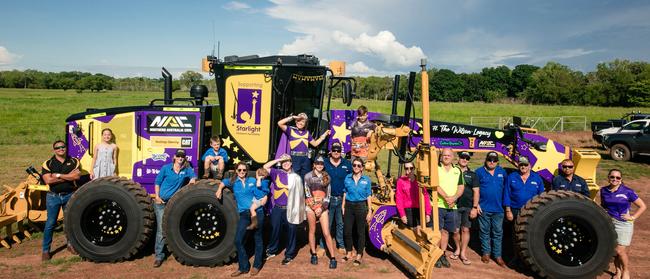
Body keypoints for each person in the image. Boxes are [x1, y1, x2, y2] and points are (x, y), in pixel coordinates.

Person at [216, 162, 269, 277]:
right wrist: (220, 189)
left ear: (247, 171)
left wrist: (265, 197)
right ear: (236, 170)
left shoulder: (252, 181)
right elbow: (223, 182)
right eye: (239, 170)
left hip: (257, 212)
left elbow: (262, 191)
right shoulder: (233, 182)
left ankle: (256, 266)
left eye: (244, 170)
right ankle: (244, 267)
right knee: (238, 240)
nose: (242, 172)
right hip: (244, 214)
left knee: (258, 239)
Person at [153, 149, 197, 267]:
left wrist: (190, 183)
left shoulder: (187, 169)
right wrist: (157, 197)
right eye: (178, 156)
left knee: (175, 227)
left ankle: (174, 250)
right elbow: (157, 182)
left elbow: (193, 178)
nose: (180, 158)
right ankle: (158, 256)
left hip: (174, 204)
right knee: (161, 229)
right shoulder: (166, 168)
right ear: (174, 157)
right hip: (161, 202)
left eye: (182, 156)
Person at [600, 169, 646, 279]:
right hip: (609, 223)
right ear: (608, 178)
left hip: (623, 224)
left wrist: (633, 217)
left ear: (621, 180)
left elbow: (643, 206)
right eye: (612, 177)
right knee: (614, 251)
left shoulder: (627, 191)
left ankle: (626, 270)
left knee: (620, 250)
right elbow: (603, 205)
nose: (615, 179)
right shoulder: (603, 190)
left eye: (618, 178)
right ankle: (618, 271)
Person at [41, 140, 81, 261]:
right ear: (54, 150)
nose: (61, 149)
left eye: (63, 147)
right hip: (53, 197)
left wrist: (57, 175)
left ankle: (70, 245)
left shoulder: (74, 161)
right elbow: (48, 180)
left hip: (69, 195)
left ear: (66, 148)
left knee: (69, 222)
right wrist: (68, 177)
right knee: (50, 224)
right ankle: (45, 250)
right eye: (58, 148)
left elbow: (77, 176)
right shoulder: (48, 163)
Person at [263, 154, 306, 265]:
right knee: (274, 230)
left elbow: (300, 196)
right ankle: (272, 250)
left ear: (291, 163)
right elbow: (265, 167)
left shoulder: (296, 177)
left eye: (287, 161)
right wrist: (278, 159)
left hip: (290, 208)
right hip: (277, 208)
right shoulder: (276, 173)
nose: (285, 163)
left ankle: (289, 254)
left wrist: (299, 211)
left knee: (291, 232)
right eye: (283, 162)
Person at [503, 156, 544, 266]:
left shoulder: (537, 178)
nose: (523, 167)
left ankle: (530, 260)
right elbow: (506, 194)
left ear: (530, 166)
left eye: (525, 165)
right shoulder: (512, 177)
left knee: (530, 235)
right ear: (518, 165)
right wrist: (508, 210)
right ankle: (516, 258)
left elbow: (542, 196)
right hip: (515, 210)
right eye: (521, 164)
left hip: (532, 212)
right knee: (516, 234)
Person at [304, 156, 338, 269]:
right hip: (311, 207)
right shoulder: (308, 176)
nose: (319, 165)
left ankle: (333, 257)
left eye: (321, 164)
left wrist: (321, 208)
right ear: (314, 164)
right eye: (317, 163)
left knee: (326, 232)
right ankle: (313, 254)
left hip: (322, 208)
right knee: (312, 231)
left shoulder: (326, 176)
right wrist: (314, 207)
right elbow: (307, 194)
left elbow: (328, 195)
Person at [475, 151, 507, 267]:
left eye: (494, 160)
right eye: (490, 160)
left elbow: (506, 189)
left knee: (498, 233)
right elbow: (475, 189)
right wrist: (476, 204)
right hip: (484, 208)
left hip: (498, 209)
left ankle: (498, 255)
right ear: (486, 160)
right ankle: (486, 253)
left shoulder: (502, 172)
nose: (492, 162)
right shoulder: (479, 172)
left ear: (497, 162)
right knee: (484, 232)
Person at [434, 148, 464, 268]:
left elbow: (461, 186)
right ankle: (435, 256)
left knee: (446, 231)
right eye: (444, 155)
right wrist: (446, 197)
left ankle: (442, 254)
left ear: (453, 157)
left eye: (448, 155)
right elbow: (435, 185)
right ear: (441, 157)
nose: (446, 157)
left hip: (452, 206)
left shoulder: (457, 170)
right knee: (437, 232)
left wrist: (454, 198)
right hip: (438, 204)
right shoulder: (435, 169)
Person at [277, 112, 330, 178]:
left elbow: (315, 144)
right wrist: (293, 117)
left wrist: (324, 135)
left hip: (306, 159)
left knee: (305, 178)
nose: (300, 123)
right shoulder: (290, 130)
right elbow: (279, 123)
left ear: (305, 123)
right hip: (294, 158)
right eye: (298, 121)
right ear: (296, 121)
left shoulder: (307, 133)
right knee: (294, 178)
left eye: (303, 121)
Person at [342, 158, 372, 266]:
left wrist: (369, 211)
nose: (356, 167)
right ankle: (349, 252)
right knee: (347, 231)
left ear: (362, 167)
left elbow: (369, 195)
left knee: (360, 232)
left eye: (359, 165)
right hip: (349, 206)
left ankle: (359, 254)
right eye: (354, 165)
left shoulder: (366, 180)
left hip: (361, 206)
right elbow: (345, 192)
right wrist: (343, 206)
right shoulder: (347, 178)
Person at [322, 142, 351, 255]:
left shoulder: (347, 164)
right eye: (334, 150)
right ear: (330, 151)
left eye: (338, 150)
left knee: (340, 223)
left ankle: (341, 244)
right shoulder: (324, 163)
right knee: (326, 223)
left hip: (341, 199)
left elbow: (353, 176)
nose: (336, 152)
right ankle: (322, 245)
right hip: (327, 198)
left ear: (341, 152)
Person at [451, 151, 479, 265]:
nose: (464, 159)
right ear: (458, 157)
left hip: (468, 206)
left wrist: (475, 207)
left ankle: (463, 253)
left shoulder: (472, 174)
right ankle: (457, 248)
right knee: (455, 230)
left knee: (465, 229)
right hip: (454, 206)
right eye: (463, 157)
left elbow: (476, 192)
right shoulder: (452, 171)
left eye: (467, 158)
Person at [395, 161, 432, 228]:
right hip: (408, 209)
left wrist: (428, 213)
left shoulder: (420, 180)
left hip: (420, 208)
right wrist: (402, 214)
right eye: (406, 168)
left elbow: (426, 197)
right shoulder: (400, 181)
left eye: (411, 168)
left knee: (427, 227)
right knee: (413, 229)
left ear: (414, 169)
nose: (409, 170)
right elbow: (399, 198)